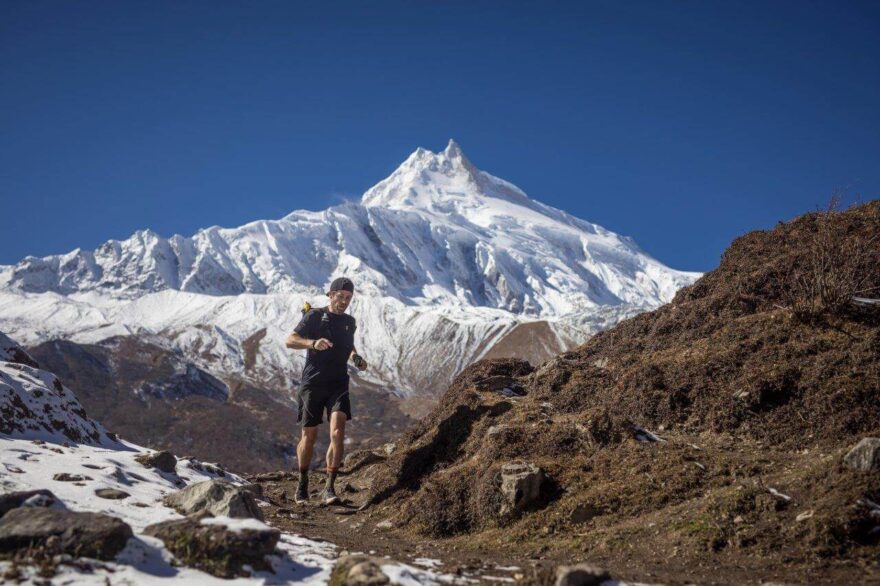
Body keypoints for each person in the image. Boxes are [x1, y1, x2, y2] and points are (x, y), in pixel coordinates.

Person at [285, 277, 368, 505]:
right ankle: (303, 483)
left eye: (348, 298)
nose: (344, 301)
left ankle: (330, 488)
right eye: (340, 296)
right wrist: (312, 343)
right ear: (330, 295)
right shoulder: (314, 316)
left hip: (338, 383)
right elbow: (290, 340)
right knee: (308, 436)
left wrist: (355, 357)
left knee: (338, 433)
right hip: (312, 383)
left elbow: (347, 345)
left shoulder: (350, 322)